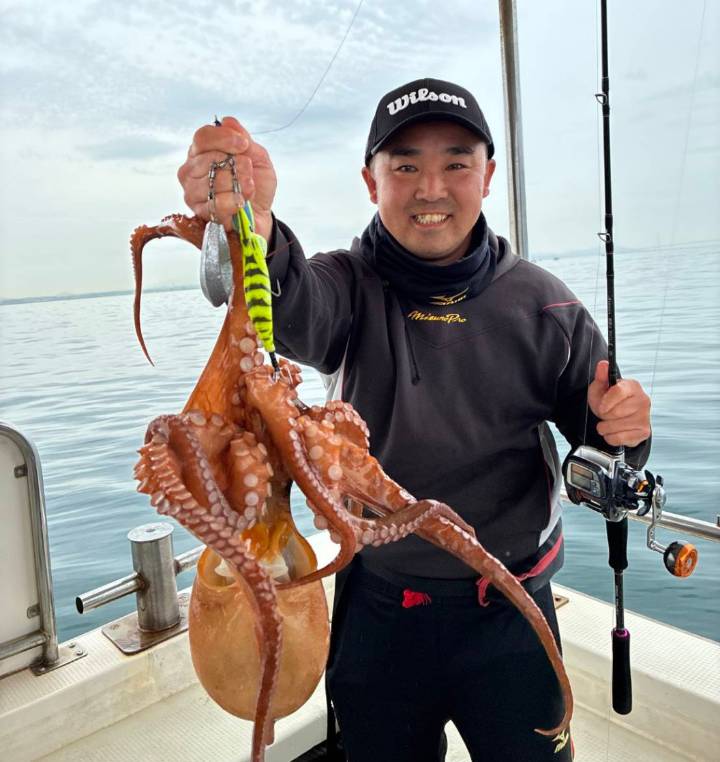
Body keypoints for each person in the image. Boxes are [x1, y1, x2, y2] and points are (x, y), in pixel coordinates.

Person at [178, 78, 651, 762]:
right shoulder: (345, 287)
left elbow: (606, 444)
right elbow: (292, 305)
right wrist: (256, 226)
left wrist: (626, 431)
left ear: (488, 176)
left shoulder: (546, 307)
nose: (431, 189)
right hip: (380, 607)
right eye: (404, 166)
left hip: (513, 608)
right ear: (371, 182)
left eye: (456, 163)